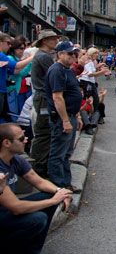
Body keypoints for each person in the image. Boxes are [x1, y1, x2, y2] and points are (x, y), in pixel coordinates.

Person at [0, 123, 73, 254]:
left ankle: (34, 250)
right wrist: (54, 201)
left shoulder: (15, 159)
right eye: (21, 138)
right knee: (38, 219)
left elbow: (38, 181)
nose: (26, 139)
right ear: (6, 143)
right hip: (4, 215)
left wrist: (60, 192)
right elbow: (16, 207)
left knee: (49, 195)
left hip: (7, 212)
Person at [45, 41, 83, 189]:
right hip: (62, 118)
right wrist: (65, 121)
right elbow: (57, 97)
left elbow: (73, 93)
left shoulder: (67, 69)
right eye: (69, 53)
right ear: (60, 54)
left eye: (74, 53)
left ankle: (66, 182)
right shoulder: (56, 70)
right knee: (58, 153)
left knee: (67, 153)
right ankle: (58, 186)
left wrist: (77, 116)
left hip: (71, 115)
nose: (73, 56)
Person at [29, 30, 61, 178]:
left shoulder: (43, 56)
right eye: (52, 38)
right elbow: (55, 74)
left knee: (46, 132)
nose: (55, 41)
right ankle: (38, 167)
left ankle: (40, 165)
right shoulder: (43, 57)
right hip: (43, 98)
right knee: (44, 133)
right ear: (44, 41)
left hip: (43, 97)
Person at [0, 33, 34, 123]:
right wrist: (31, 58)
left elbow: (16, 71)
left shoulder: (7, 57)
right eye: (8, 43)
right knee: (11, 115)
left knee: (9, 115)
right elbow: (17, 67)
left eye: (24, 48)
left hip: (9, 90)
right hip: (8, 91)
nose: (9, 45)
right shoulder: (6, 57)